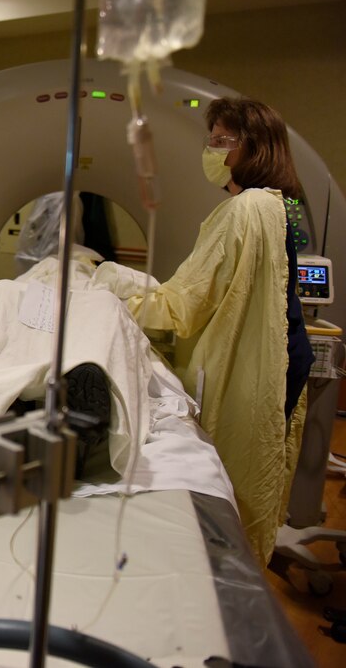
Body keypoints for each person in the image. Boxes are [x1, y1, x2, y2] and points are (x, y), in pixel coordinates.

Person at [115, 97, 315, 565]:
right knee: (261, 469)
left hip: (261, 366)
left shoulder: (242, 211)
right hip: (289, 356)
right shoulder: (278, 206)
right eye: (211, 140)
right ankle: (242, 560)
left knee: (237, 476)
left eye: (221, 141)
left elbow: (184, 307)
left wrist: (116, 289)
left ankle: (226, 568)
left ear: (255, 148)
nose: (211, 150)